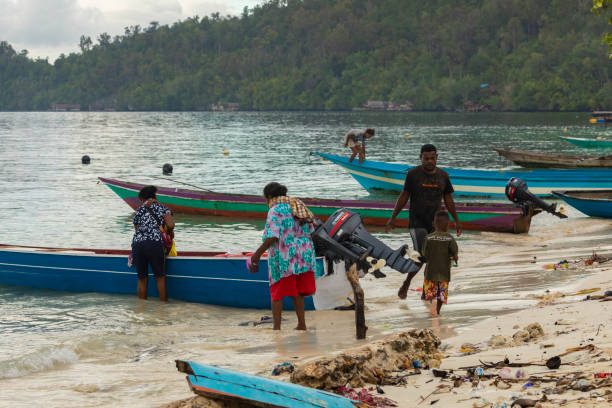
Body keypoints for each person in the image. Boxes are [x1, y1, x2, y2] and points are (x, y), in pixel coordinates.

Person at [385, 144, 461, 299]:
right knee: (421, 255)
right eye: (426, 158)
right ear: (421, 158)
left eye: (432, 158)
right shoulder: (413, 174)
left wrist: (457, 220)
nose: (429, 161)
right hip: (417, 222)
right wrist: (393, 217)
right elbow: (404, 196)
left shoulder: (443, 176)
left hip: (436, 223)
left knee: (435, 257)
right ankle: (406, 283)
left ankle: (428, 291)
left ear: (437, 157)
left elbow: (448, 199)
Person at [248, 182, 318, 330]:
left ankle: (277, 328)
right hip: (304, 256)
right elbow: (311, 229)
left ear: (269, 197)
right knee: (297, 292)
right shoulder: (298, 205)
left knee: (276, 293)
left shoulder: (275, 210)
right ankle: (301, 324)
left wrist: (256, 255)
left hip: (284, 257)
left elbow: (272, 237)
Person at [132, 185, 175, 301]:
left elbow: (137, 229)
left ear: (142, 199)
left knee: (141, 279)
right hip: (154, 243)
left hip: (138, 244)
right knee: (160, 277)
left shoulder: (138, 210)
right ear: (155, 196)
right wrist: (169, 232)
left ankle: (141, 308)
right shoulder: (162, 208)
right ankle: (163, 307)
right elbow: (170, 225)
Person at [421, 210, 458, 316]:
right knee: (442, 293)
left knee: (430, 292)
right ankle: (437, 310)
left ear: (433, 223)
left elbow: (424, 253)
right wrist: (455, 258)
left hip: (430, 272)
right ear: (448, 224)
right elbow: (454, 253)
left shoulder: (428, 237)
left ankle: (432, 301)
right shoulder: (450, 238)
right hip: (444, 273)